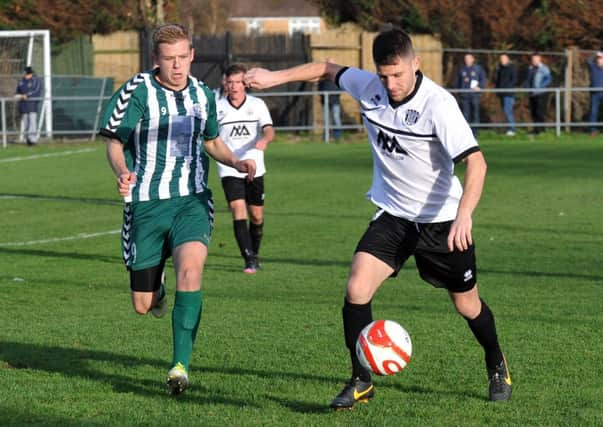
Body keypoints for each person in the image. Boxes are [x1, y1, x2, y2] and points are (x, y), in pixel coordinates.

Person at [245, 28, 511, 409]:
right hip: (394, 216)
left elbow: (477, 163)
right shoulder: (370, 87)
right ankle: (360, 379)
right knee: (356, 289)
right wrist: (275, 78)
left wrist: (464, 215)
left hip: (442, 222)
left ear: (415, 64)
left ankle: (496, 362)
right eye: (384, 76)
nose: (391, 84)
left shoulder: (439, 105)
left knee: (467, 306)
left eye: (398, 75)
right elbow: (326, 67)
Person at [98, 24, 255, 395]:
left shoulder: (202, 95)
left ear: (192, 56)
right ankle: (158, 290)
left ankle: (180, 365)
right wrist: (123, 172)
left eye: (183, 57)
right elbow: (114, 143)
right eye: (169, 59)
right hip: (146, 206)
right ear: (156, 60)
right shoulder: (138, 91)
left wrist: (236, 161)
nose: (177, 65)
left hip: (192, 200)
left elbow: (212, 141)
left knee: (191, 268)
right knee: (143, 305)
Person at [216, 63, 274, 273]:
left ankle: (254, 252)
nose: (234, 86)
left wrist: (264, 141)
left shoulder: (257, 105)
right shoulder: (218, 107)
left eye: (238, 82)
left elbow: (268, 130)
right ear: (226, 84)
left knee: (256, 215)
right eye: (230, 82)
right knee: (237, 208)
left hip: (255, 165)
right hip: (230, 167)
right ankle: (248, 258)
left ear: (245, 84)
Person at [456, 54, 487, 136]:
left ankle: (475, 133)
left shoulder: (478, 69)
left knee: (475, 114)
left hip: (475, 95)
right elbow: (457, 81)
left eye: (469, 58)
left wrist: (479, 87)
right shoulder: (461, 69)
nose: (467, 60)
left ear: (473, 59)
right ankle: (466, 133)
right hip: (464, 96)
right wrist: (459, 91)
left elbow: (483, 79)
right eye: (465, 58)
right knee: (465, 114)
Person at [526, 52, 552, 135]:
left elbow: (548, 79)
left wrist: (541, 86)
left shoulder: (544, 68)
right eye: (533, 59)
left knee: (540, 112)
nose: (534, 60)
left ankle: (541, 129)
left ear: (539, 59)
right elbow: (528, 80)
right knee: (533, 112)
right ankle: (536, 129)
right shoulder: (530, 68)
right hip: (532, 93)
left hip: (541, 93)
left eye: (536, 59)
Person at [15, 66, 42, 146]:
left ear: (29, 73)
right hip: (23, 105)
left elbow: (36, 91)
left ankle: (32, 140)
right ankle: (28, 139)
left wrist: (27, 95)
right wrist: (19, 96)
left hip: (32, 104)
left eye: (25, 73)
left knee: (32, 121)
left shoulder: (35, 80)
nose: (24, 75)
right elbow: (17, 92)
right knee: (26, 122)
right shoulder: (21, 81)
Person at [494, 54, 518, 136]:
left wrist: (507, 88)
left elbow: (514, 80)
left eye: (504, 58)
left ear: (508, 59)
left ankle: (512, 129)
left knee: (508, 110)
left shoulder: (512, 68)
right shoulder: (499, 68)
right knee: (505, 110)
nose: (502, 60)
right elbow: (497, 80)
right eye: (501, 58)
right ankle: (509, 128)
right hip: (501, 93)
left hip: (509, 93)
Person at [586, 51, 603, 136]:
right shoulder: (593, 66)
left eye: (601, 58)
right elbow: (588, 60)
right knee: (593, 112)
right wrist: (596, 53)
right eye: (598, 58)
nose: (599, 60)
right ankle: (593, 130)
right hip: (594, 94)